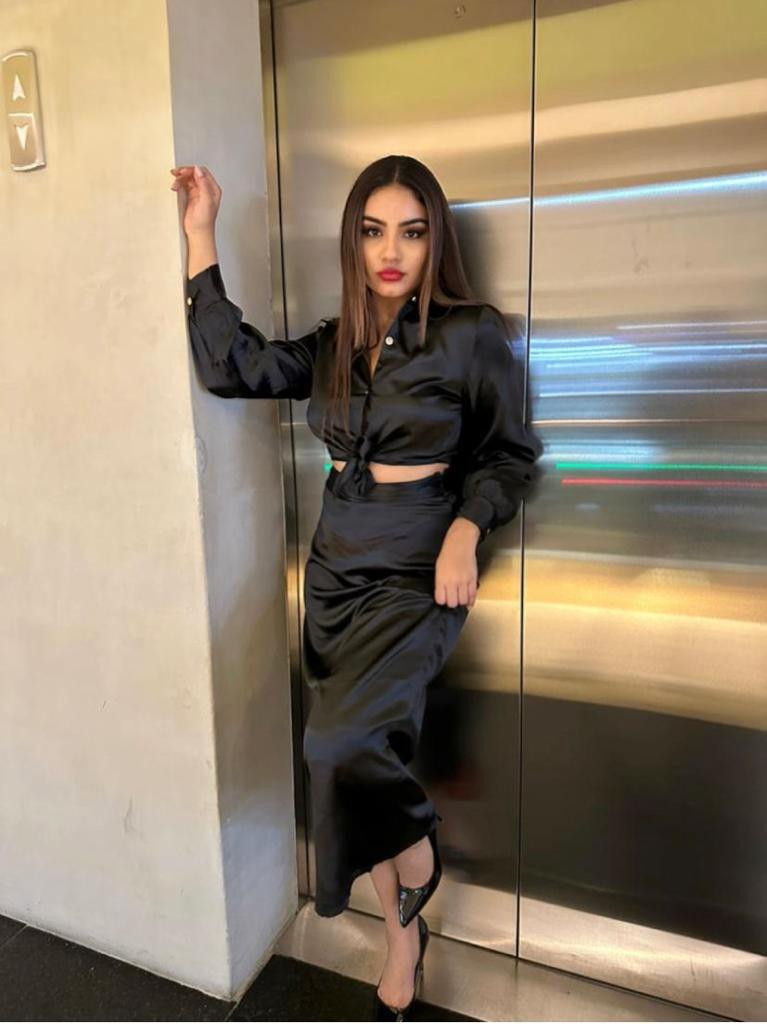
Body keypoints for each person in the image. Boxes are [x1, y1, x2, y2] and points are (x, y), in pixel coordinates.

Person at [170, 154, 543, 1021]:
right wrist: (200, 235)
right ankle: (402, 936)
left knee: (339, 747)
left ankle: (420, 869)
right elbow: (234, 367)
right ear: (353, 240)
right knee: (352, 770)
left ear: (434, 240)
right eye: (373, 232)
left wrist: (466, 529)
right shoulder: (335, 341)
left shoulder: (472, 332)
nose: (391, 251)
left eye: (411, 232)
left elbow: (508, 454)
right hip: (337, 564)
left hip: (417, 567)